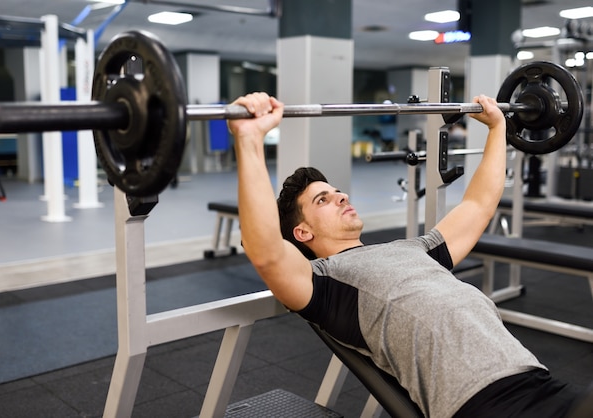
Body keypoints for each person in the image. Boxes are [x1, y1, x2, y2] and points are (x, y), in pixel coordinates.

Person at [227, 92, 584, 417]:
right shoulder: (326, 284)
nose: (342, 197)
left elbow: (478, 205)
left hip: (540, 381)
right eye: (323, 199)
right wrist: (249, 139)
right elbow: (267, 252)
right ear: (302, 233)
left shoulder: (415, 249)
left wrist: (497, 129)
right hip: (483, 405)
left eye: (338, 191)